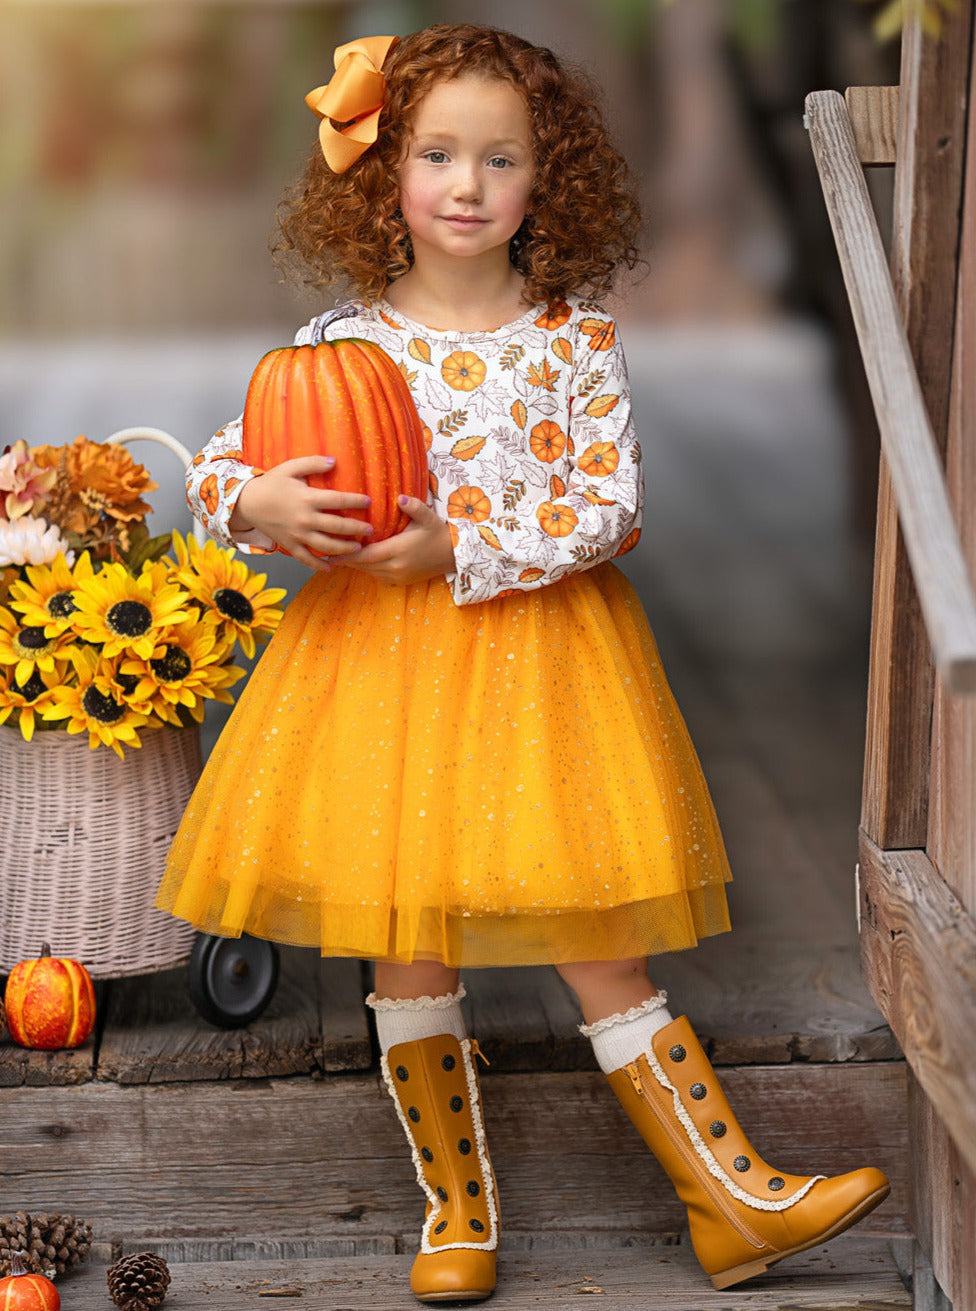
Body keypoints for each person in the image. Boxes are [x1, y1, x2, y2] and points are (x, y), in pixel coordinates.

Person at [156, 23, 889, 1302]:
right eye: (437, 153)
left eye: (501, 159)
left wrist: (462, 547)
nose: (466, 184)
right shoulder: (340, 341)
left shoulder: (572, 345)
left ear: (548, 180)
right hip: (374, 675)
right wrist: (253, 502)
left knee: (601, 933)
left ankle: (728, 1197)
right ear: (382, 173)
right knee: (407, 939)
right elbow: (231, 458)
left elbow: (609, 507)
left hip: (545, 666)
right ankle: (455, 1213)